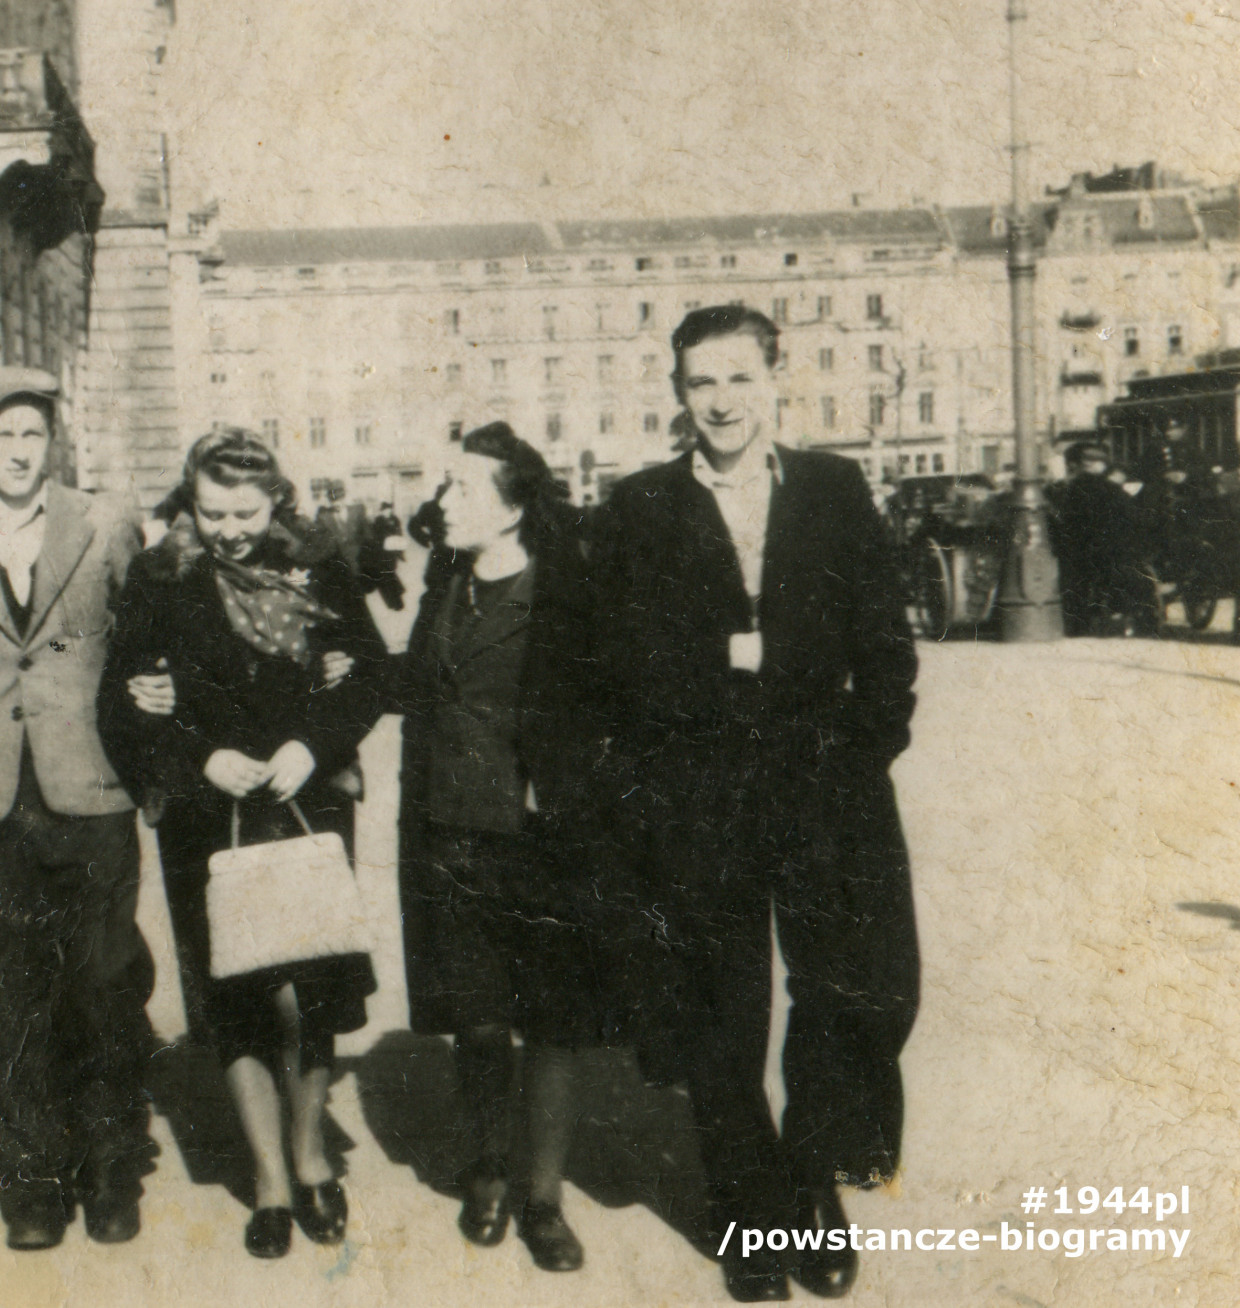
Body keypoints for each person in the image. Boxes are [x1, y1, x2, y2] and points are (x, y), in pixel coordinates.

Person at [594, 306, 921, 1301]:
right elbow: (617, 659)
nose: (722, 402)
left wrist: (864, 749)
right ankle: (747, 1214)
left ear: (775, 381)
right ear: (678, 394)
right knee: (720, 1009)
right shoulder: (639, 505)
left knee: (851, 988)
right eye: (702, 383)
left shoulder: (832, 488)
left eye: (738, 378)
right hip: (701, 797)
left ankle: (812, 1181)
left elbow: (884, 644)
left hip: (825, 785)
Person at [0, 367, 166, 1251]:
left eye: (32, 435)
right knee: (4, 997)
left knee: (101, 983)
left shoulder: (106, 523)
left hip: (88, 787)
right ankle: (32, 1183)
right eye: (0, 437)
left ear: (53, 443)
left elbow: (148, 627)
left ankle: (112, 1168)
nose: (18, 453)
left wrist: (157, 701)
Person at [98, 429, 383, 1260]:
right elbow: (123, 705)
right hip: (208, 814)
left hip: (306, 801)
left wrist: (312, 746)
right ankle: (269, 1178)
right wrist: (198, 758)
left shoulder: (321, 562)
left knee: (311, 989)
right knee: (240, 995)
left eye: (245, 512)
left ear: (277, 500)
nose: (227, 529)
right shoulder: (162, 577)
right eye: (211, 510)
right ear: (189, 498)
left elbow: (369, 672)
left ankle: (310, 1152)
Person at [393, 422, 625, 1272]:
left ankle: (545, 1199)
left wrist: (572, 784)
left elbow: (610, 704)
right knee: (479, 1019)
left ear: (515, 502)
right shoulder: (446, 580)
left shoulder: (564, 586)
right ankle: (488, 1170)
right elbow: (415, 686)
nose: (442, 501)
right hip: (450, 836)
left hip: (543, 841)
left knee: (553, 1025)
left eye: (462, 487)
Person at [1049, 442, 1142, 636]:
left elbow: (1060, 517)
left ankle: (1078, 624)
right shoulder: (1112, 488)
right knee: (1117, 576)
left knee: (1076, 584)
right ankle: (1117, 618)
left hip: (1078, 547)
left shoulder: (1067, 487)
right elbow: (1131, 515)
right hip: (1109, 547)